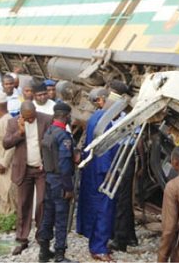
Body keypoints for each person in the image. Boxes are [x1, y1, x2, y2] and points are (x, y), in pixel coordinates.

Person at [3, 101, 52, 256]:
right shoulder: (13, 122)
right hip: (23, 169)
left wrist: (47, 161)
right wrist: (20, 132)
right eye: (27, 118)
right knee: (23, 204)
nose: (30, 120)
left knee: (42, 202)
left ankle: (41, 237)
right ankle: (22, 239)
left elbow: (51, 143)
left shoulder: (46, 119)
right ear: (22, 115)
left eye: (32, 117)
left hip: (41, 169)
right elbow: (6, 143)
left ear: (36, 112)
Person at [76, 87, 118, 261]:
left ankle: (98, 243)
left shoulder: (96, 116)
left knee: (96, 207)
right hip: (102, 171)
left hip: (93, 169)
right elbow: (104, 148)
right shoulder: (106, 120)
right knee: (103, 209)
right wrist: (108, 172)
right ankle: (98, 248)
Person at [37, 102, 75, 262]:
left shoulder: (49, 132)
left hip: (49, 178)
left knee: (48, 215)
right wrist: (68, 187)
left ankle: (44, 251)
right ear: (66, 116)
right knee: (61, 217)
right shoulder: (63, 136)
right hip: (60, 180)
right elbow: (65, 164)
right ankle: (60, 254)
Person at [108, 80, 138, 253]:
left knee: (121, 198)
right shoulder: (123, 112)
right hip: (125, 152)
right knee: (124, 197)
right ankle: (130, 236)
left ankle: (120, 240)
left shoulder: (124, 114)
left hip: (123, 152)